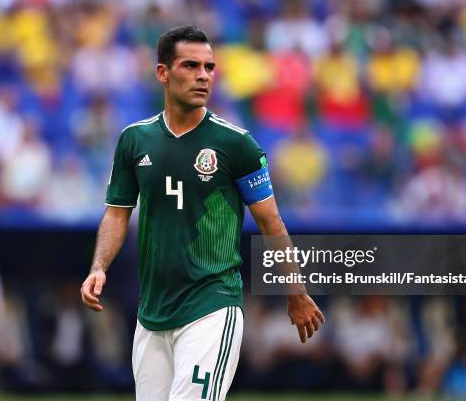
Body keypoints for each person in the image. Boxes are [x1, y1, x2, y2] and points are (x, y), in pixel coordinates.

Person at [81, 25, 325, 401]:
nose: (203, 76)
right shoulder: (134, 140)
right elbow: (117, 214)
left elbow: (270, 222)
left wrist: (295, 291)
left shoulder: (236, 144)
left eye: (209, 67)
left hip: (212, 305)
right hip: (153, 312)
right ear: (163, 73)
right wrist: (99, 267)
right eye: (190, 65)